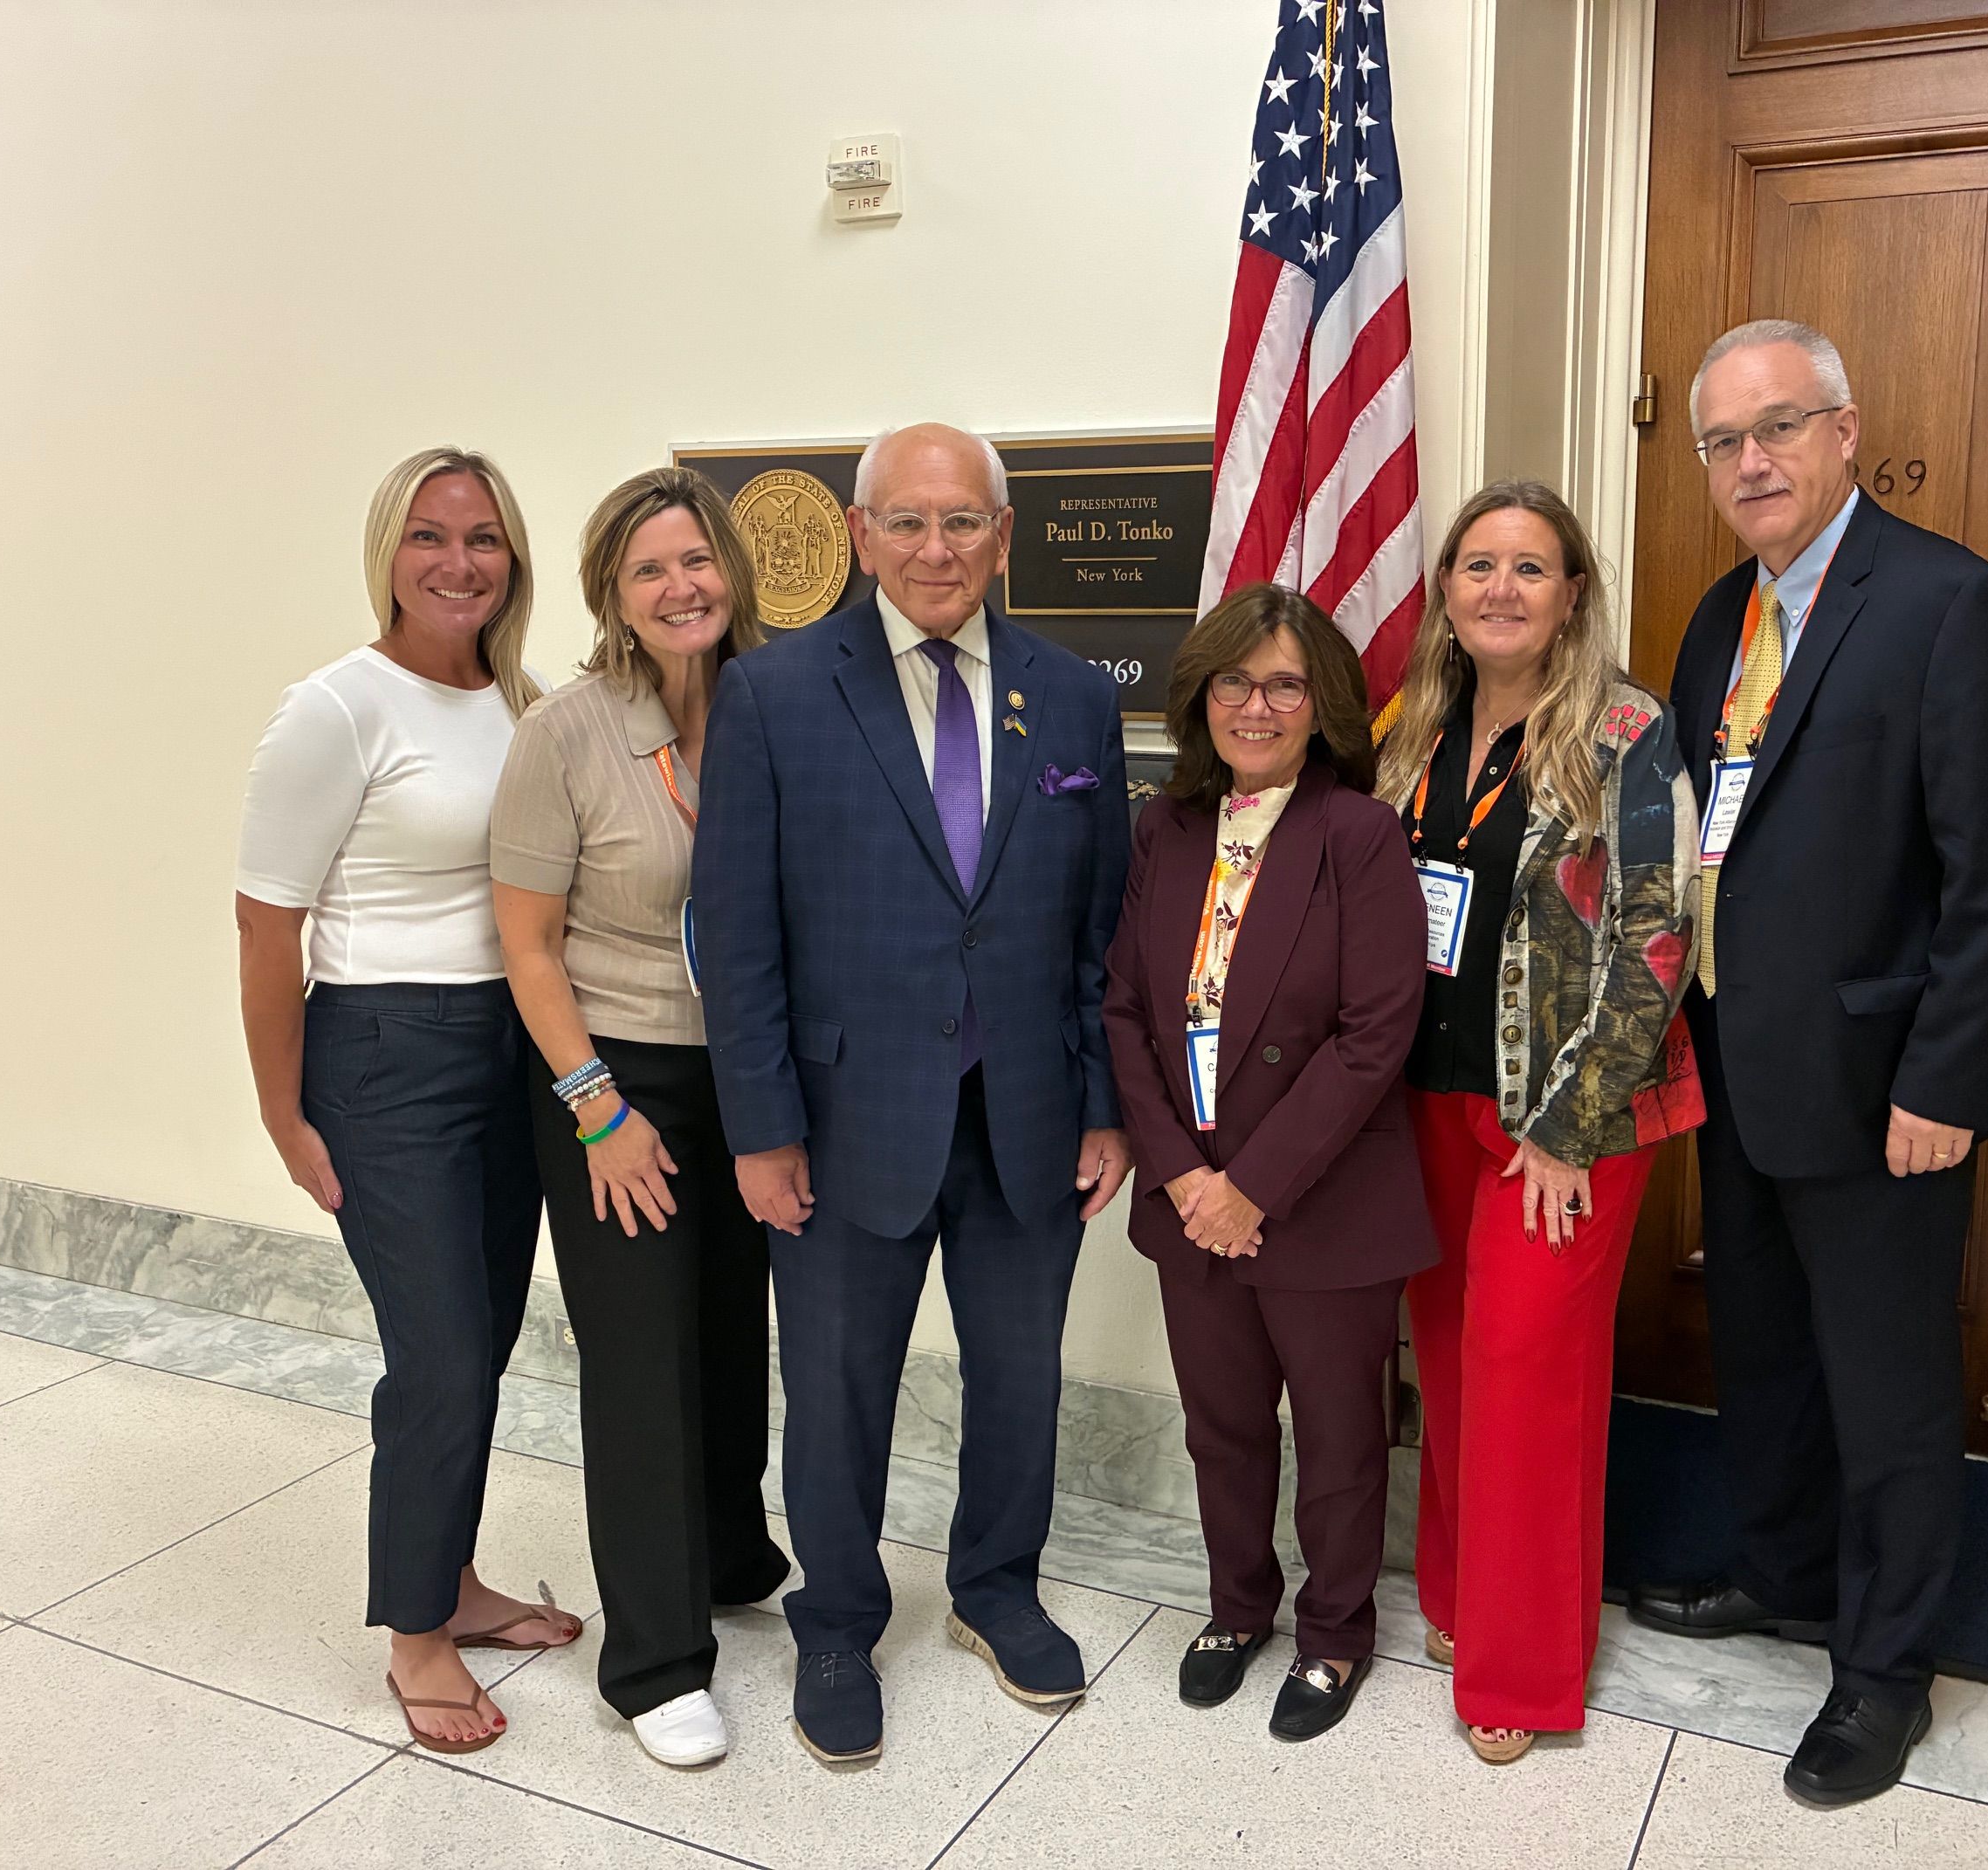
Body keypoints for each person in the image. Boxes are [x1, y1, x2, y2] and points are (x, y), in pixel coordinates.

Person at [1631, 320, 1988, 1806]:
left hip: (1888, 1090)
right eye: (1724, 442)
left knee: (1885, 1383)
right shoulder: (1713, 622)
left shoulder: (1946, 603)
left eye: (1780, 428)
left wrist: (1944, 1081)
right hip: (1737, 1067)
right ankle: (1787, 1570)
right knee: (1764, 1352)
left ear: (1845, 431)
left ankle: (1883, 1671)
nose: (1753, 461)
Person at [693, 423, 1132, 1764]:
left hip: (1029, 1118)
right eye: (908, 522)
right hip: (839, 1123)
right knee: (834, 1389)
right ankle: (836, 1618)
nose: (935, 549)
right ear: (859, 533)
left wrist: (1105, 1099)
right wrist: (760, 1130)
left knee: (1019, 1377)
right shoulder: (771, 694)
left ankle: (997, 1588)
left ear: (1005, 537)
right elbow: (739, 931)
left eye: (962, 523)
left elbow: (1100, 925)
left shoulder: (1070, 696)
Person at [233, 446, 581, 1756]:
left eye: (483, 537)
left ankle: (453, 1580)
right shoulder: (335, 707)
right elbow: (268, 927)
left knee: (480, 1339)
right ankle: (415, 1638)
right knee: (436, 1354)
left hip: (512, 1046)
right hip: (383, 1055)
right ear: (388, 549)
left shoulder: (520, 699)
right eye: (430, 536)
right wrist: (284, 1113)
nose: (458, 561)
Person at [1380, 481, 1704, 1766]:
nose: (1501, 588)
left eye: (1530, 566)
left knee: (1527, 1372)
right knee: (1450, 1362)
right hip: (1423, 1101)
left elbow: (1659, 937)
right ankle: (1462, 1601)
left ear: (1573, 592)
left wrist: (1569, 1125)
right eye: (1478, 566)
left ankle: (1523, 1671)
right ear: (1449, 593)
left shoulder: (1628, 730)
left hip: (1563, 1118)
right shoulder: (1414, 725)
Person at [491, 467, 792, 1768]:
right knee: (641, 1355)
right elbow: (528, 942)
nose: (684, 588)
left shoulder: (779, 707)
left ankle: (728, 1554)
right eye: (651, 568)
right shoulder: (564, 731)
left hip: (757, 1075)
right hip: (613, 1077)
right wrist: (599, 1107)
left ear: (734, 569)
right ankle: (656, 1660)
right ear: (614, 592)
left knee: (733, 1328)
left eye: (699, 561)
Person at [1102, 584, 1433, 1742]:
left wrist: (1251, 1183)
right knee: (1223, 1424)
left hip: (1321, 1201)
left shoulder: (1360, 833)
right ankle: (1238, 1605)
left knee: (1341, 1438)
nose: (1257, 703)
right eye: (1236, 681)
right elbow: (1127, 1012)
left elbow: (1374, 1034)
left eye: (1285, 682)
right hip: (1192, 1200)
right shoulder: (1167, 827)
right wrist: (1189, 1179)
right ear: (1201, 699)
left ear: (1322, 703)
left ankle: (1337, 1630)